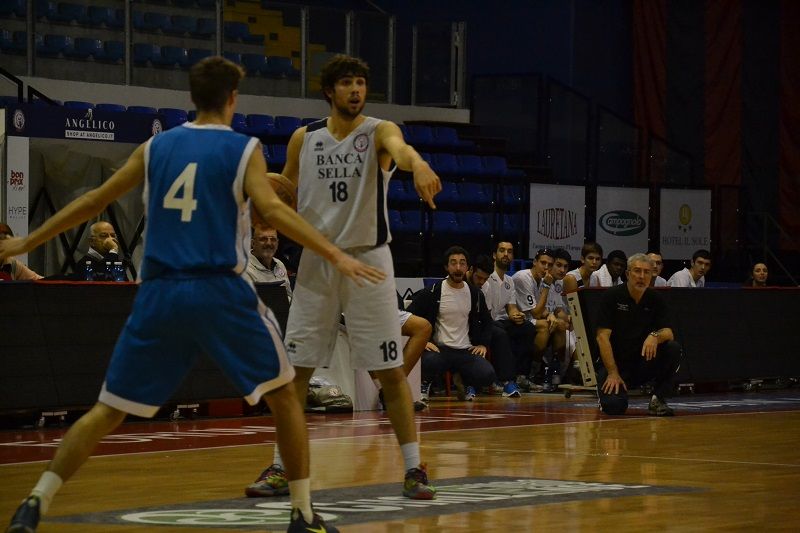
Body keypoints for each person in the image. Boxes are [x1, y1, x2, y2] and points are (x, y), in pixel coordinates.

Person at [0, 56, 381, 533]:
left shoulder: (156, 147)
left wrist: (27, 242)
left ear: (193, 97)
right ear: (233, 99)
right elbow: (274, 211)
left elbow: (92, 201)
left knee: (108, 410)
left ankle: (36, 500)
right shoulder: (244, 149)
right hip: (219, 289)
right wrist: (335, 253)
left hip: (159, 293)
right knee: (286, 396)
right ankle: (302, 513)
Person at [251, 54, 441, 502]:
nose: (355, 90)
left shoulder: (378, 131)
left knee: (389, 372)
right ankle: (280, 467)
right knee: (296, 371)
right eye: (346, 83)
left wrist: (418, 164)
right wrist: (259, 198)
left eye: (360, 82)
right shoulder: (304, 138)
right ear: (328, 90)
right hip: (318, 262)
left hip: (368, 261)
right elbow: (286, 194)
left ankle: (414, 468)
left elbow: (401, 149)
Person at [595, 253, 682, 417]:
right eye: (637, 271)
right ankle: (606, 392)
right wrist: (612, 372)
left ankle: (658, 399)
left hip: (642, 363)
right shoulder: (611, 296)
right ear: (628, 274)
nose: (642, 276)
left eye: (646, 272)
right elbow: (602, 337)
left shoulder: (656, 299)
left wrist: (655, 336)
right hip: (615, 364)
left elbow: (669, 332)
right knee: (614, 408)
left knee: (673, 348)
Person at [408, 246, 497, 402]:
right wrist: (424, 341)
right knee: (428, 362)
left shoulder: (475, 293)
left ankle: (463, 380)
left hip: (465, 351)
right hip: (440, 350)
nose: (458, 268)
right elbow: (408, 316)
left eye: (462, 263)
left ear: (467, 268)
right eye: (453, 263)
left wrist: (483, 344)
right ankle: (425, 383)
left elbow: (487, 321)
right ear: (446, 267)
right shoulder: (432, 291)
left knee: (487, 374)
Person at [473, 242, 536, 396]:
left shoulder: (509, 280)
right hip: (487, 321)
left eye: (510, 251)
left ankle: (521, 375)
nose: (506, 254)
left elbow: (511, 307)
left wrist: (516, 315)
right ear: (494, 255)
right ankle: (503, 379)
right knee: (499, 332)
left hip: (498, 321)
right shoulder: (487, 276)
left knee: (528, 327)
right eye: (502, 250)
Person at [512, 248, 558, 386]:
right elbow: (536, 313)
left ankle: (558, 372)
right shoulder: (523, 277)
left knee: (559, 324)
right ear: (534, 262)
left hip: (526, 319)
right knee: (544, 326)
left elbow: (540, 309)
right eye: (543, 263)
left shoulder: (541, 279)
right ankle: (531, 373)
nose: (546, 267)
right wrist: (546, 286)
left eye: (550, 265)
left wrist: (550, 315)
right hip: (511, 318)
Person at [245, 223, 293, 301]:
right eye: (263, 239)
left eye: (273, 239)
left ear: (277, 244)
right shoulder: (244, 269)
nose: (269, 243)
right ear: (253, 243)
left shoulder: (279, 264)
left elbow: (289, 295)